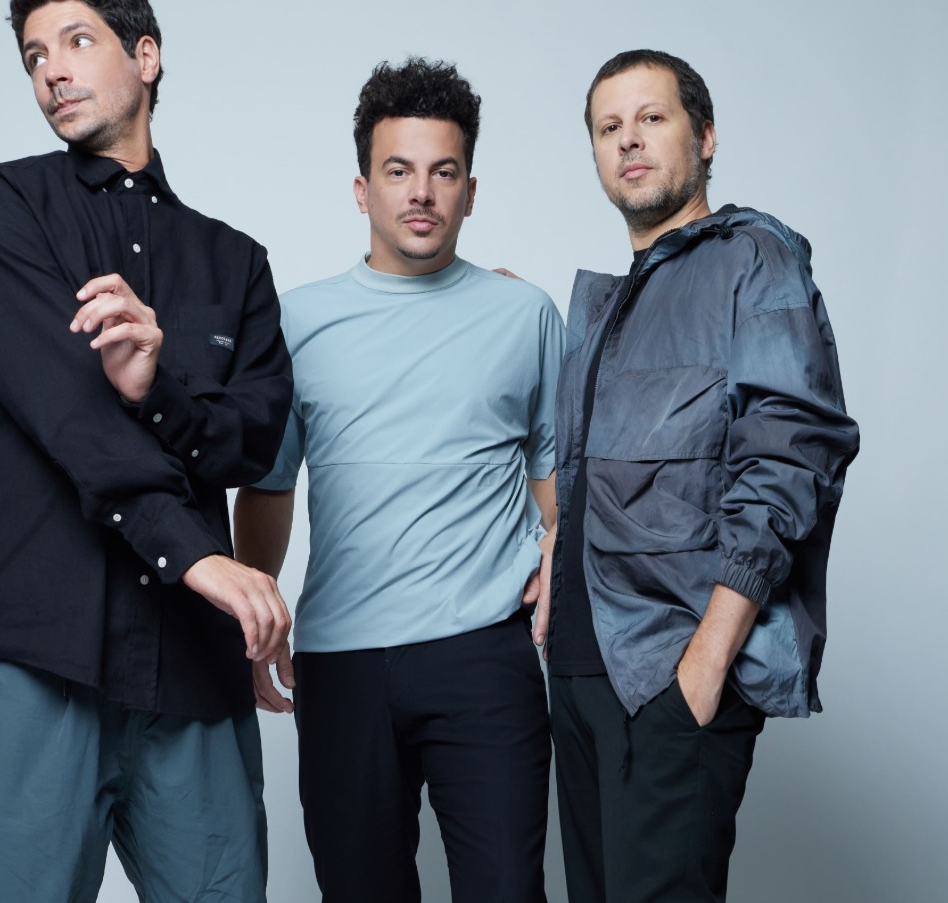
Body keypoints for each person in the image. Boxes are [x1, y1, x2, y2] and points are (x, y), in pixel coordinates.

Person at [0, 0, 293, 903]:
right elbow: (67, 411)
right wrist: (195, 554)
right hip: (39, 657)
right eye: (33, 57)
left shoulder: (235, 263)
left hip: (193, 674)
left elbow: (252, 443)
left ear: (146, 56)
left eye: (76, 42)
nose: (52, 71)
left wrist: (157, 390)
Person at [234, 58, 565, 903]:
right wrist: (255, 622)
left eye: (443, 172)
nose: (421, 192)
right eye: (398, 171)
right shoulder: (295, 321)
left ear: (470, 191)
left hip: (485, 655)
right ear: (362, 189)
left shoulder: (525, 315)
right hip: (343, 664)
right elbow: (269, 485)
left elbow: (555, 476)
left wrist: (558, 546)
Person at [542, 48, 860, 903]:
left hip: (669, 672)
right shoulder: (612, 303)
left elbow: (791, 456)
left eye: (652, 118)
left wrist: (705, 666)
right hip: (580, 676)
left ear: (706, 136)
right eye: (609, 127)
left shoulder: (753, 259)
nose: (628, 140)